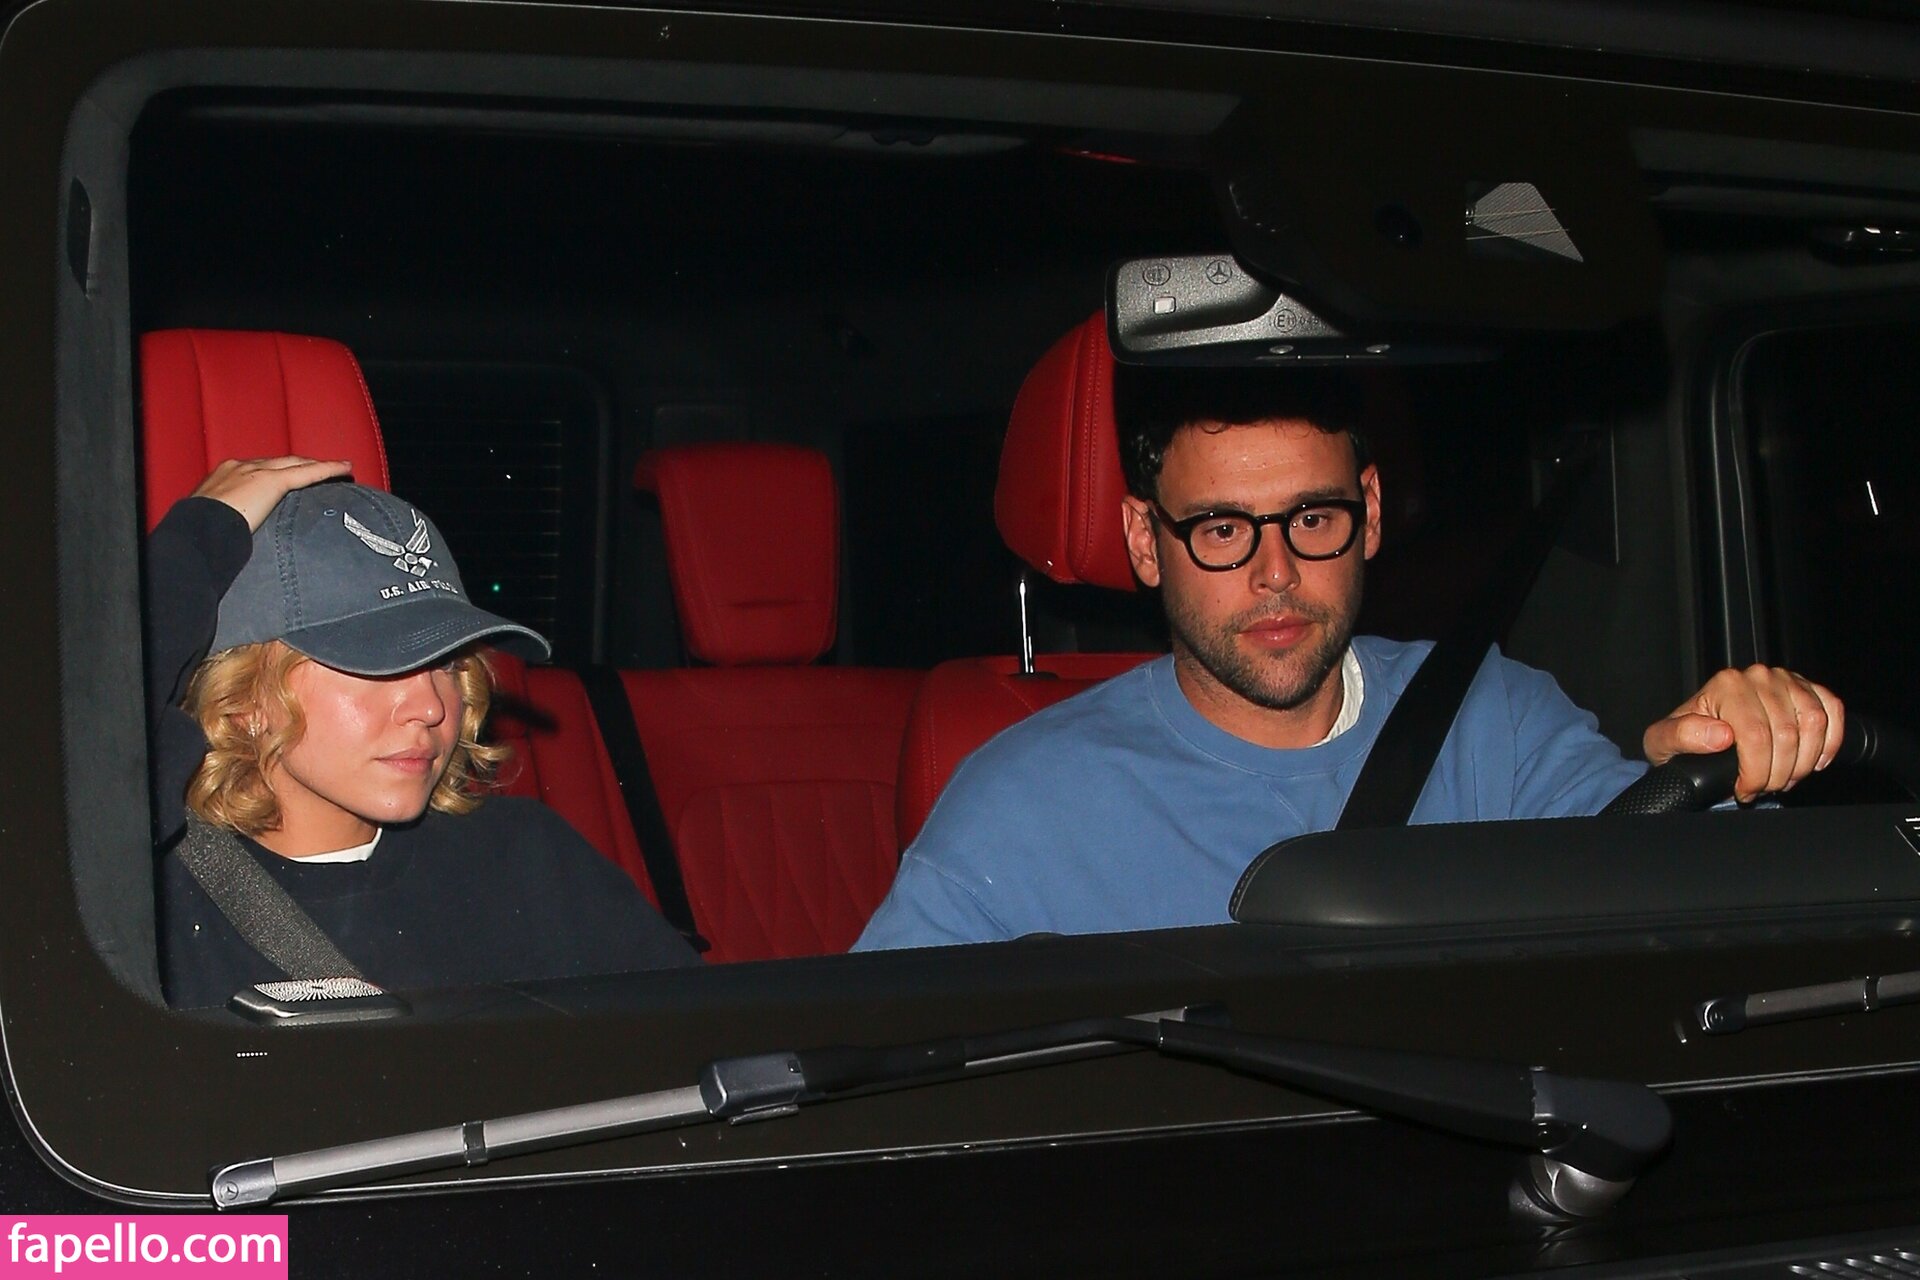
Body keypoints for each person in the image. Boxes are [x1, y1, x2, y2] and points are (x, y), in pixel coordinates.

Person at [855, 370, 1844, 950]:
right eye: (1222, 530)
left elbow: (1674, 912)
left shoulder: (1493, 721)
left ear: (1369, 512)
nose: (1276, 573)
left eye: (1313, 518)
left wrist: (1722, 763)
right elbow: (879, 1089)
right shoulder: (1024, 806)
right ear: (1147, 541)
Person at [149, 457, 698, 1007]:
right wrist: (192, 546)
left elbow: (695, 1033)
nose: (431, 707)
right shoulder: (155, 895)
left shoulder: (525, 859)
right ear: (243, 698)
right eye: (376, 664)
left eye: (448, 663)